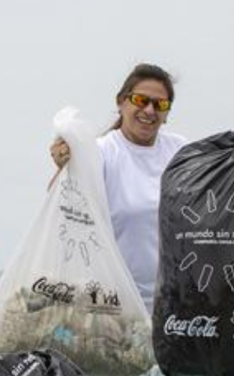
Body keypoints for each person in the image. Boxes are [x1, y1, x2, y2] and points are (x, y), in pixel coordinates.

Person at [50, 63, 188, 311]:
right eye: (140, 100)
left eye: (160, 104)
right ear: (121, 102)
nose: (149, 110)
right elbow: (59, 205)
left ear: (167, 113)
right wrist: (64, 166)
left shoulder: (180, 151)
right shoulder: (100, 152)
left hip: (173, 306)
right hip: (111, 305)